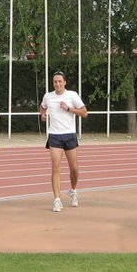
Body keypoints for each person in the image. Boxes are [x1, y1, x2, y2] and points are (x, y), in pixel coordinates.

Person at [39, 70, 88, 212]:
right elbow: (42, 107)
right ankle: (57, 199)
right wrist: (43, 115)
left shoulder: (72, 95)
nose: (57, 84)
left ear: (65, 82)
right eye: (55, 82)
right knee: (55, 168)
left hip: (70, 135)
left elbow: (84, 112)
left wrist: (69, 108)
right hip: (54, 136)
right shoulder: (48, 96)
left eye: (60, 81)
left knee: (74, 168)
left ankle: (73, 190)